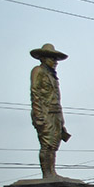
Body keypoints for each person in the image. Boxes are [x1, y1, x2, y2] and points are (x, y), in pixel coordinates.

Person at [30, 43, 71, 178]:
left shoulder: (53, 76)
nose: (55, 62)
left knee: (54, 145)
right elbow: (35, 93)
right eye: (52, 59)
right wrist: (38, 115)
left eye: (55, 59)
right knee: (47, 144)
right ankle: (47, 174)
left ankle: (52, 171)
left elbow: (57, 98)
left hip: (55, 113)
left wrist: (62, 121)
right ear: (43, 58)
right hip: (44, 113)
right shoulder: (38, 71)